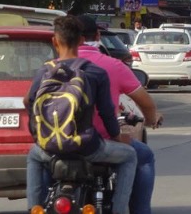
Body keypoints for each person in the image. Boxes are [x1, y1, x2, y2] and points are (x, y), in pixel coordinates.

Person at [24, 16, 137, 214]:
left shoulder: (44, 71)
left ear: (54, 41)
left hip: (50, 148)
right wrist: (117, 137)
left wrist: (38, 134)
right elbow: (107, 112)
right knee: (130, 156)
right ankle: (119, 210)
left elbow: (28, 101)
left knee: (33, 156)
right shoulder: (95, 72)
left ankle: (34, 208)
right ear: (82, 41)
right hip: (87, 147)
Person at [77, 15, 164, 214]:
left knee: (39, 158)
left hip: (61, 141)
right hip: (101, 142)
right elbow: (145, 102)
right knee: (143, 156)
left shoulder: (53, 66)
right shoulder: (111, 66)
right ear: (97, 36)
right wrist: (152, 119)